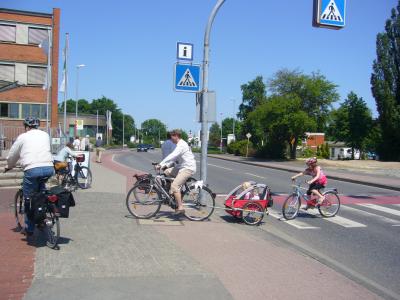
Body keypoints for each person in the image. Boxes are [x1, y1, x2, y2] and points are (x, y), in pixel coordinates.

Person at [6, 117, 54, 236]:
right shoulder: (45, 135)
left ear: (26, 126)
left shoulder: (23, 136)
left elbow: (13, 154)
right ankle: (43, 217)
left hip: (32, 170)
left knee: (28, 199)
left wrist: (9, 166)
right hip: (49, 168)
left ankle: (29, 228)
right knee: (41, 193)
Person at [157, 129, 196, 214]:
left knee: (174, 186)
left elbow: (173, 155)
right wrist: (165, 165)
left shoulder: (181, 145)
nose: (171, 140)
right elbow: (174, 158)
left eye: (172, 138)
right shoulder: (179, 144)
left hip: (188, 168)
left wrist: (160, 164)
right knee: (167, 172)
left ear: (176, 136)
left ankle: (180, 207)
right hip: (181, 167)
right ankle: (173, 194)